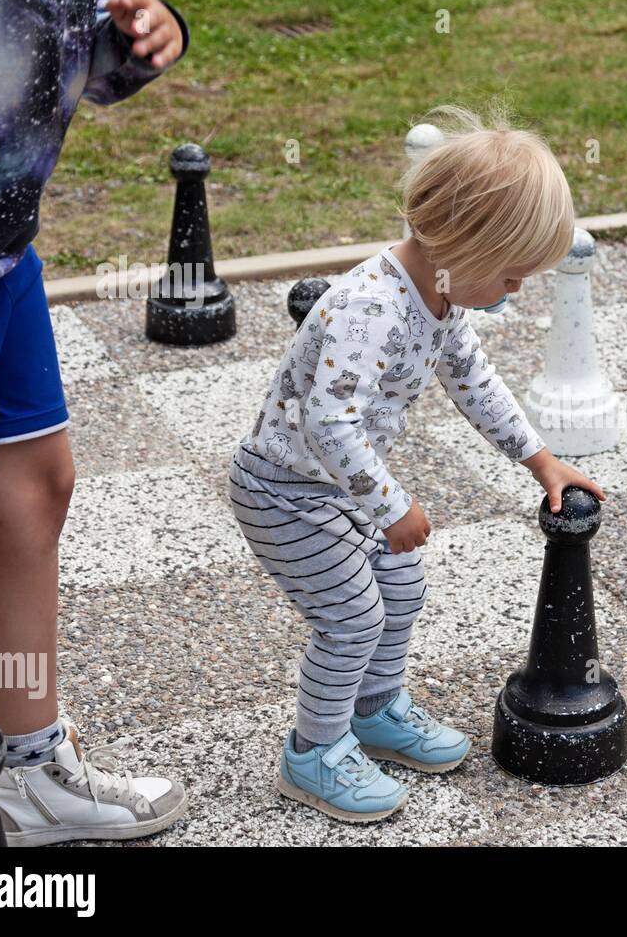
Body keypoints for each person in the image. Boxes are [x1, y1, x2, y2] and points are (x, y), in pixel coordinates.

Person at [228, 106, 606, 822]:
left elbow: (476, 382)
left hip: (337, 487)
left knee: (401, 587)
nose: (515, 290)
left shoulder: (439, 293)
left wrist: (541, 461)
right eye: (512, 274)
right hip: (284, 490)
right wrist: (392, 505)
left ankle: (372, 711)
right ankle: (313, 753)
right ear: (462, 245)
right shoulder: (372, 309)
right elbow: (328, 421)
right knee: (350, 617)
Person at [0, 0, 189, 844]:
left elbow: (55, 49)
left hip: (1, 249)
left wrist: (137, 36)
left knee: (32, 492)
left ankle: (27, 767)